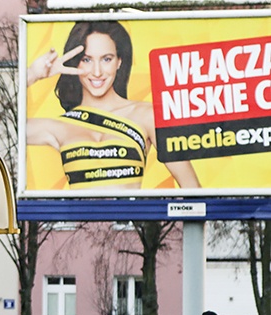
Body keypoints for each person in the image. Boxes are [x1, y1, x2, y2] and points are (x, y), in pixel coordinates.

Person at [26, 21, 200, 190]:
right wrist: (32, 74)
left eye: (106, 59)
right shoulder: (60, 126)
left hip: (130, 218)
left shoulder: (147, 115)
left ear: (119, 61)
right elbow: (5, 131)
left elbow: (194, 190)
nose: (97, 72)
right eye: (86, 60)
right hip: (75, 220)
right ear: (75, 62)